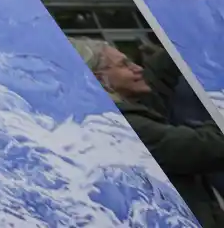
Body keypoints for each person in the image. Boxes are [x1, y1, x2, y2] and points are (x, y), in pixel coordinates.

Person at [71, 38, 224, 227]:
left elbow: (163, 68)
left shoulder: (124, 109)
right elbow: (207, 147)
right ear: (100, 80)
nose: (138, 68)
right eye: (124, 65)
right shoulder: (119, 127)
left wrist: (195, 34)